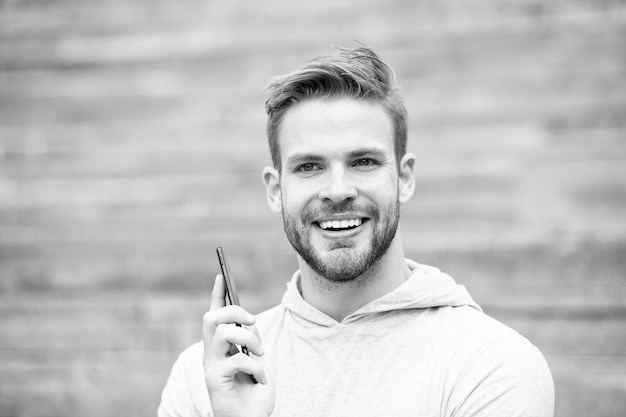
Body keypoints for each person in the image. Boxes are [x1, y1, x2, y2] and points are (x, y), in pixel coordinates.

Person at [158, 45, 555, 417]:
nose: (337, 191)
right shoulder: (207, 378)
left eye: (363, 161)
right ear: (276, 190)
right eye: (309, 166)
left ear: (403, 178)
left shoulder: (492, 365)